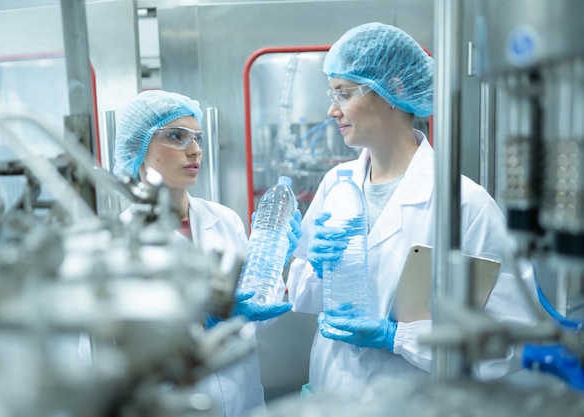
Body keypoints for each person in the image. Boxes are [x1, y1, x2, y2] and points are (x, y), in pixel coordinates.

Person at [286, 22, 540, 397]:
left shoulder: (463, 203)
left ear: (395, 90)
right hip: (331, 393)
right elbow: (301, 294)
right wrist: (315, 270)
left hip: (412, 400)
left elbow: (509, 340)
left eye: (344, 94)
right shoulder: (337, 184)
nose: (331, 111)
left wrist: (398, 338)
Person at [113, 89, 300, 417]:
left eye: (197, 138)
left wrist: (275, 258)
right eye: (176, 137)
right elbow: (114, 354)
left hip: (243, 402)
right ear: (138, 147)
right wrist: (201, 319)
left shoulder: (224, 219)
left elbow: (255, 317)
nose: (195, 150)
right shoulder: (117, 244)